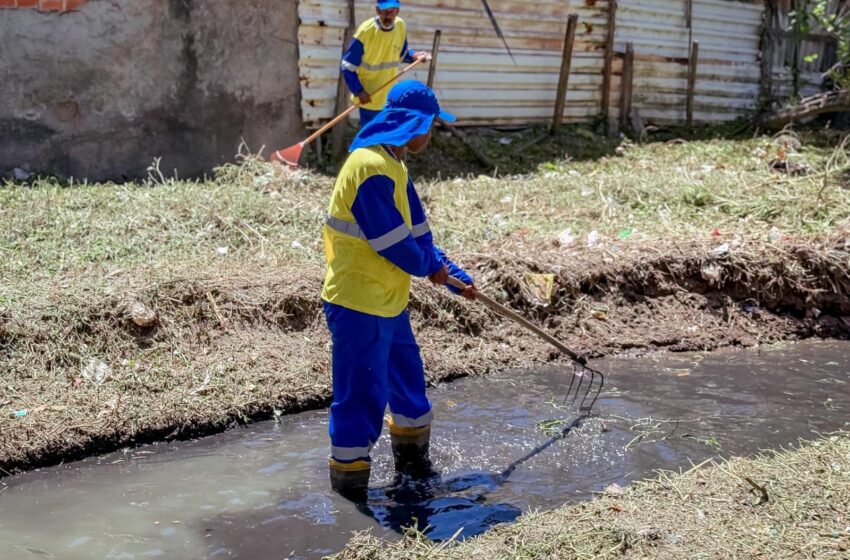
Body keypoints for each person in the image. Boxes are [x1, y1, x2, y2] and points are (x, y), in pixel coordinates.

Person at [321, 80, 475, 500]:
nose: (432, 133)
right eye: (432, 126)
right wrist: (430, 268)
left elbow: (419, 234)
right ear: (414, 124)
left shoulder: (395, 164)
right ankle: (350, 496)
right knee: (362, 398)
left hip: (388, 301)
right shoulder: (368, 168)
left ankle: (415, 470)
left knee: (408, 385)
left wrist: (454, 273)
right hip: (357, 303)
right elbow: (393, 243)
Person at [340, 0, 431, 128]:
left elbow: (401, 53)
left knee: (390, 141)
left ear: (397, 11)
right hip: (370, 98)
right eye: (385, 11)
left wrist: (415, 56)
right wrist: (359, 91)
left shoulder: (400, 26)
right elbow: (347, 66)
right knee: (373, 142)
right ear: (377, 10)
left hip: (391, 98)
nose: (388, 15)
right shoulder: (365, 32)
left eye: (392, 11)